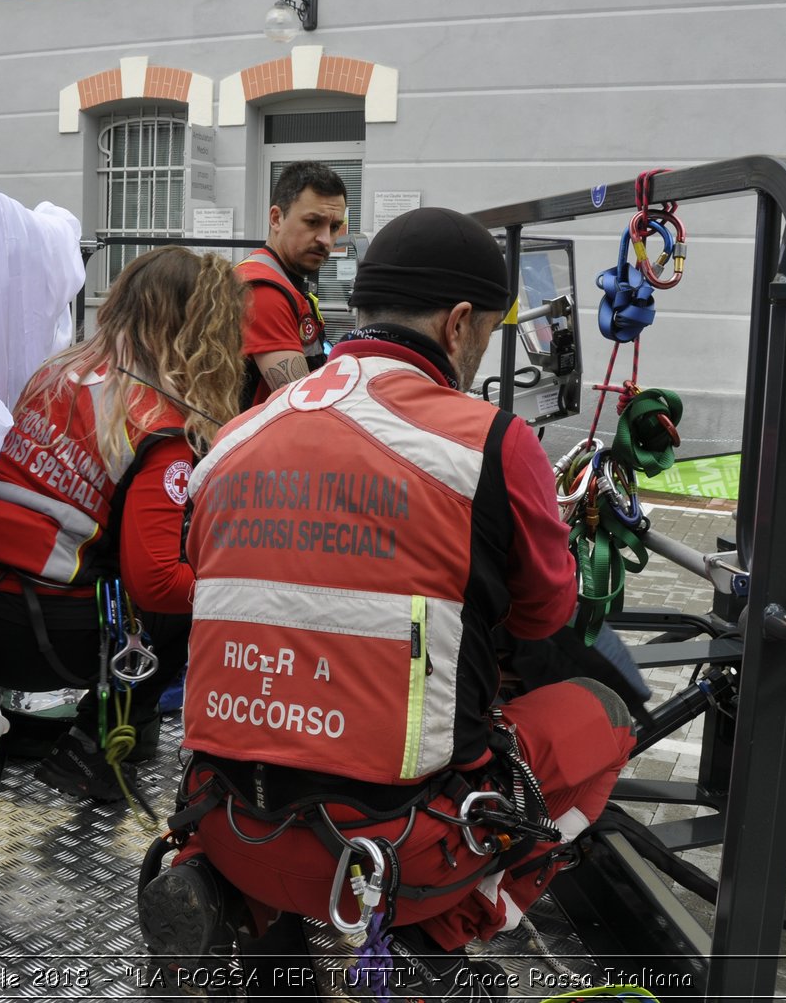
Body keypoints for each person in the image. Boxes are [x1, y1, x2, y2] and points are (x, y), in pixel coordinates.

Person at [138, 208, 638, 999]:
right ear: (461, 322)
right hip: (393, 850)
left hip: (226, 819)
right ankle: (436, 935)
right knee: (603, 717)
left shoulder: (234, 437)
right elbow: (541, 617)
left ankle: (230, 895)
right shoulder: (492, 443)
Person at [0, 246, 245, 802]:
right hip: (44, 642)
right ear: (200, 330)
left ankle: (114, 728)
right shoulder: (159, 429)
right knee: (186, 594)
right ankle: (95, 747)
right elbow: (158, 583)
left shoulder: (55, 371)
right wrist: (237, 592)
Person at [237, 161, 347, 406]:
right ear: (276, 218)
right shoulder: (263, 291)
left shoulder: (281, 279)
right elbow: (301, 403)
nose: (326, 239)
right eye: (312, 222)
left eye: (334, 227)